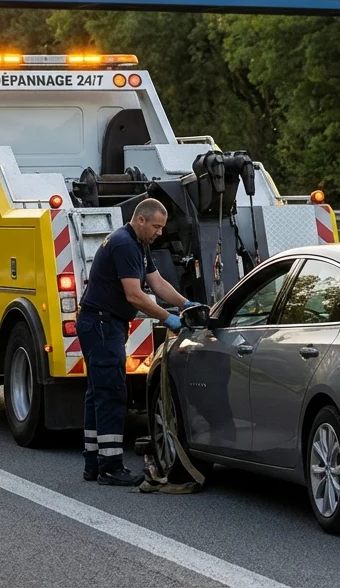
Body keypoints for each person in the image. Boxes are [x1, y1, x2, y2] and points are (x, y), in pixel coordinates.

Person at [76, 197, 197, 486]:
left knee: (98, 392)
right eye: (156, 226)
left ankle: (93, 462)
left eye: (161, 227)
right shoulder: (125, 244)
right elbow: (134, 294)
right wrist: (167, 319)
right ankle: (110, 466)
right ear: (140, 220)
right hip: (103, 324)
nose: (159, 232)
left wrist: (185, 305)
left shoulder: (137, 244)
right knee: (111, 394)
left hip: (102, 323)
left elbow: (156, 283)